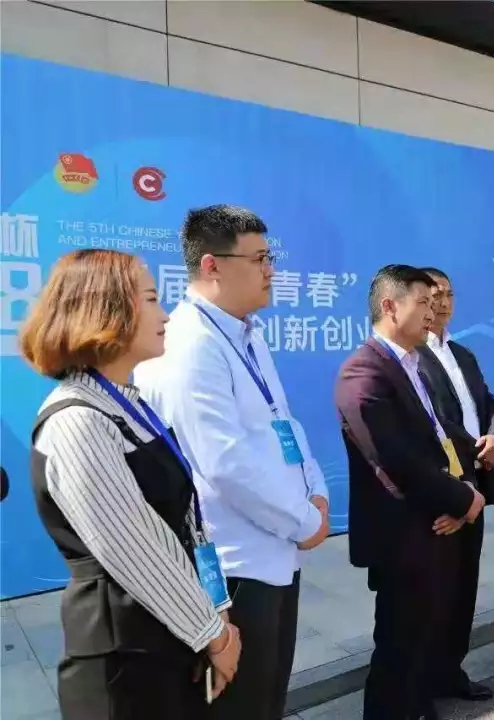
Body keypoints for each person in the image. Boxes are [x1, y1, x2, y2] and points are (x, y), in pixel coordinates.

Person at [20, 249, 241, 719]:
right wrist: (215, 636)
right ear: (106, 310)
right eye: (152, 299)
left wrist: (215, 607)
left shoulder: (130, 405)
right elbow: (136, 549)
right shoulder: (77, 420)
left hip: (169, 636)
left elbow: (185, 522)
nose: (165, 315)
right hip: (123, 660)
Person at [134, 205, 329, 720]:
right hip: (236, 565)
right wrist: (304, 520)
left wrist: (316, 492)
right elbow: (225, 462)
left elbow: (284, 423)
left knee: (267, 703)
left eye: (270, 257)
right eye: (259, 258)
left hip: (275, 552)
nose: (271, 270)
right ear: (211, 265)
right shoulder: (190, 344)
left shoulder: (247, 334)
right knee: (241, 707)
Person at [335, 264, 485, 720]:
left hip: (435, 525)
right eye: (422, 302)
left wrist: (465, 487)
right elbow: (397, 460)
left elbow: (442, 437)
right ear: (389, 306)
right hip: (403, 537)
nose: (432, 311)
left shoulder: (414, 365)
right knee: (398, 650)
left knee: (423, 641)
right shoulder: (364, 373)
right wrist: (463, 499)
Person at [415, 266, 494, 703]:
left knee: (465, 586)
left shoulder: (463, 353)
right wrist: (457, 491)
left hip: (478, 486)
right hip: (445, 492)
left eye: (449, 293)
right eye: (433, 293)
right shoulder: (411, 357)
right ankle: (424, 682)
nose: (442, 301)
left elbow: (490, 403)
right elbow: (430, 429)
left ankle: (452, 671)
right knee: (434, 592)